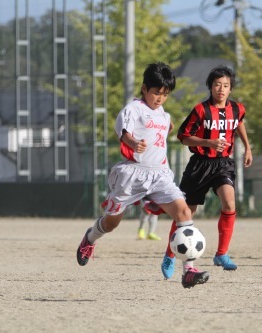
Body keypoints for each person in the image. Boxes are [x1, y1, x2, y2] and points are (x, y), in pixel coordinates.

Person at [76, 62, 209, 288]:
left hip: (159, 175)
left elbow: (165, 126)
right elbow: (124, 132)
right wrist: (134, 142)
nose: (160, 98)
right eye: (156, 93)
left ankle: (189, 270)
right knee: (111, 223)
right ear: (144, 88)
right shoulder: (133, 109)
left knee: (184, 211)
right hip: (133, 174)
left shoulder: (164, 115)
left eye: (165, 94)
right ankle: (90, 238)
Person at [160, 65, 252, 280]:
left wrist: (248, 147)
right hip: (200, 165)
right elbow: (182, 136)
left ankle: (221, 254)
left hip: (223, 164)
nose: (221, 89)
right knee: (185, 213)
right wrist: (207, 142)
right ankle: (169, 254)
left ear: (230, 89)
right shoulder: (201, 110)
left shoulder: (237, 109)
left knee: (229, 204)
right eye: (217, 85)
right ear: (210, 87)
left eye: (226, 85)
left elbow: (238, 124)